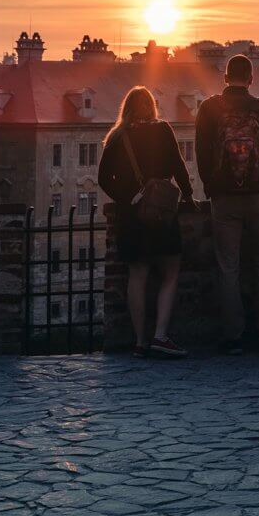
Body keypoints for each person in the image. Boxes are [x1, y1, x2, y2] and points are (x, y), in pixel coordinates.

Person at [98, 85, 196, 359]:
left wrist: (127, 198)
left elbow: (104, 178)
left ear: (126, 108)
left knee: (137, 275)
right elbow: (179, 167)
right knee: (170, 271)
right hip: (162, 213)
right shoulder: (163, 130)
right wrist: (188, 196)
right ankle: (160, 336)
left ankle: (140, 341)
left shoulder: (118, 137)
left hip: (132, 215)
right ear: (151, 106)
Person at [195, 54, 259, 355]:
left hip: (224, 199)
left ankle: (233, 337)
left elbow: (201, 153)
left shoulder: (209, 108)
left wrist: (211, 185)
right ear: (251, 79)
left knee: (228, 268)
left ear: (225, 77)